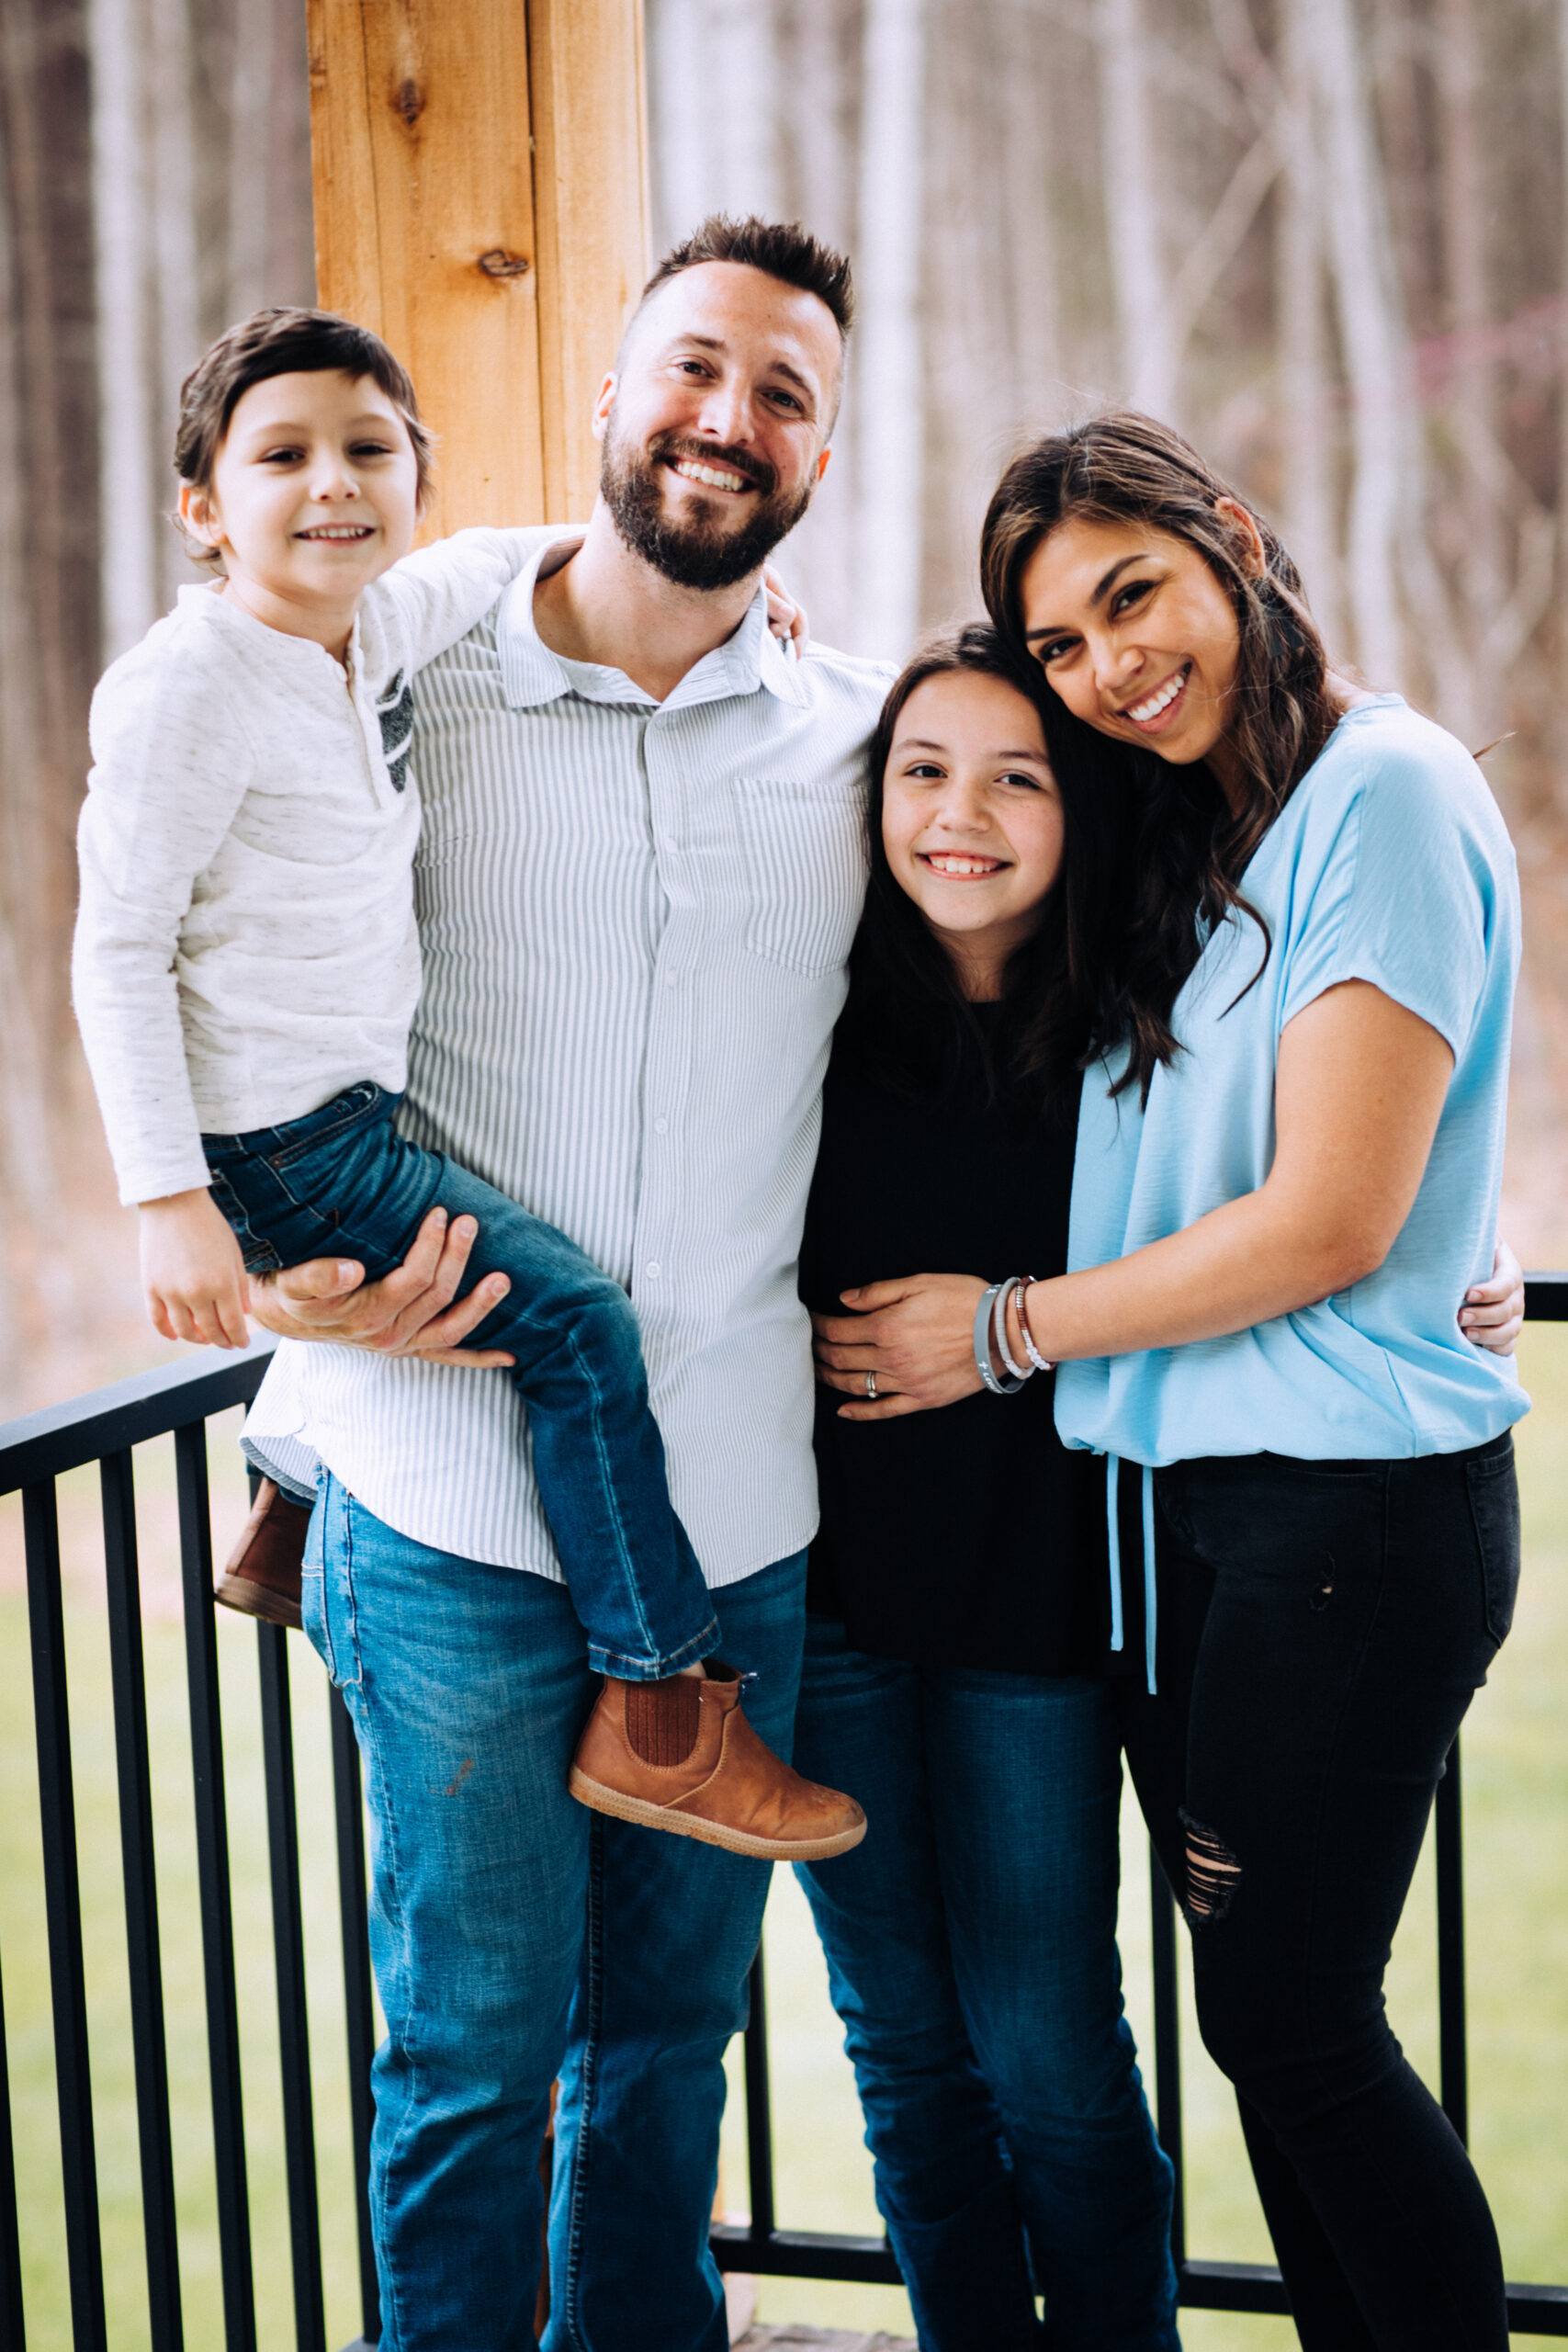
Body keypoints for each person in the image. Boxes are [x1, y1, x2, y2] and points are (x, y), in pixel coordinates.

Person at [235, 219, 892, 2351]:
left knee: (662, 2063)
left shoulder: (858, 745)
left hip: (734, 1525)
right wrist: (276, 1278)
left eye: (783, 391)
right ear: (606, 397)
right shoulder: (396, 668)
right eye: (691, 368)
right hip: (441, 1511)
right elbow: (191, 916)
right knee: (469, 2062)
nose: (727, 418)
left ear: (823, 453)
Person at [814, 409, 1526, 2352]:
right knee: (1269, 2033)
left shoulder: (1376, 790)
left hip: (1337, 1523)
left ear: (1225, 536)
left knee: (1286, 2021)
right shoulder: (1210, 815)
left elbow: (1321, 1216)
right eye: (1056, 640)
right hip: (1193, 1527)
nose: (1107, 662)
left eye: (1130, 593)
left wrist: (1002, 1326)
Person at [72, 302, 858, 1864]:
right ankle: (663, 1707)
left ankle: (291, 1503)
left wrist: (750, 591)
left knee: (462, 1263)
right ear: (201, 504)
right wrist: (169, 1205)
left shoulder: (373, 633)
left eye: (372, 451)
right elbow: (116, 946)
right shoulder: (194, 686)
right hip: (283, 1134)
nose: (334, 485)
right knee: (572, 1318)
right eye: (282, 455)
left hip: (339, 1119)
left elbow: (526, 556)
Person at [794, 625, 1180, 2350]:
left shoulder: (1149, 1028)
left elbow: (1302, 1190)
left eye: (1018, 777)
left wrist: (1456, 1253)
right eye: (923, 772)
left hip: (1037, 1611)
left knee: (1048, 2052)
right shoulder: (803, 999)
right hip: (826, 1610)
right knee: (906, 2055)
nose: (962, 815)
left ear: (1078, 810)